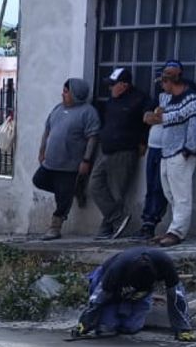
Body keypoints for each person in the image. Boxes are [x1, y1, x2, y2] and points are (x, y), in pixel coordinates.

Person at [69, 246, 196, 342]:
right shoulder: (117, 269)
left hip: (139, 292)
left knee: (131, 328)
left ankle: (128, 311)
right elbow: (98, 298)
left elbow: (177, 296)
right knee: (107, 328)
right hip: (107, 283)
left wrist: (183, 329)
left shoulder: (165, 264)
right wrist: (85, 324)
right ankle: (108, 315)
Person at [32, 77, 100, 241]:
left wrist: (86, 160)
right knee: (38, 180)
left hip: (69, 165)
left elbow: (92, 137)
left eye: (66, 91)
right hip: (51, 162)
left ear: (76, 94)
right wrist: (42, 151)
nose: (63, 94)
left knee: (63, 199)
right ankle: (71, 191)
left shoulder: (87, 112)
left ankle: (55, 227)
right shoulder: (58, 109)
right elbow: (47, 131)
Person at [91, 67, 148, 239]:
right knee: (95, 185)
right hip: (106, 150)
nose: (110, 88)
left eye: (113, 85)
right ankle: (117, 218)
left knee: (117, 191)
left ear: (124, 85)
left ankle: (108, 227)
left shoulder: (139, 100)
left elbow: (148, 121)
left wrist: (143, 142)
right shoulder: (111, 102)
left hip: (124, 152)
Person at [153, 73, 196, 247]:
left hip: (180, 153)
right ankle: (174, 228)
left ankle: (177, 232)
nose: (161, 87)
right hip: (167, 153)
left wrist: (188, 150)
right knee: (170, 193)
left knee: (182, 195)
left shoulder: (192, 101)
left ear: (170, 82)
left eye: (163, 83)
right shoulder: (170, 100)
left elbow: (195, 127)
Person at [137, 61, 183, 241]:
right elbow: (148, 117)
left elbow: (168, 116)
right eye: (163, 78)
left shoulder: (183, 95)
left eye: (168, 78)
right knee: (151, 186)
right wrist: (156, 116)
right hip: (154, 146)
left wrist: (160, 116)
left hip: (170, 148)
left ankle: (158, 224)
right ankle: (147, 223)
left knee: (163, 187)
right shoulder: (159, 95)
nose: (163, 82)